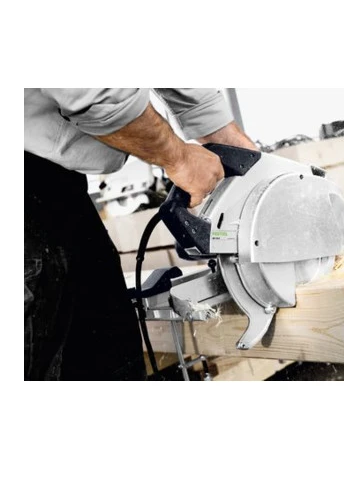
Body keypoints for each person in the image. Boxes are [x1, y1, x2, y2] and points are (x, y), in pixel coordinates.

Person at [24, 88, 257, 380]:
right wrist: (179, 158)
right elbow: (93, 92)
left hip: (59, 184)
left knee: (110, 358)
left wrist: (220, 131)